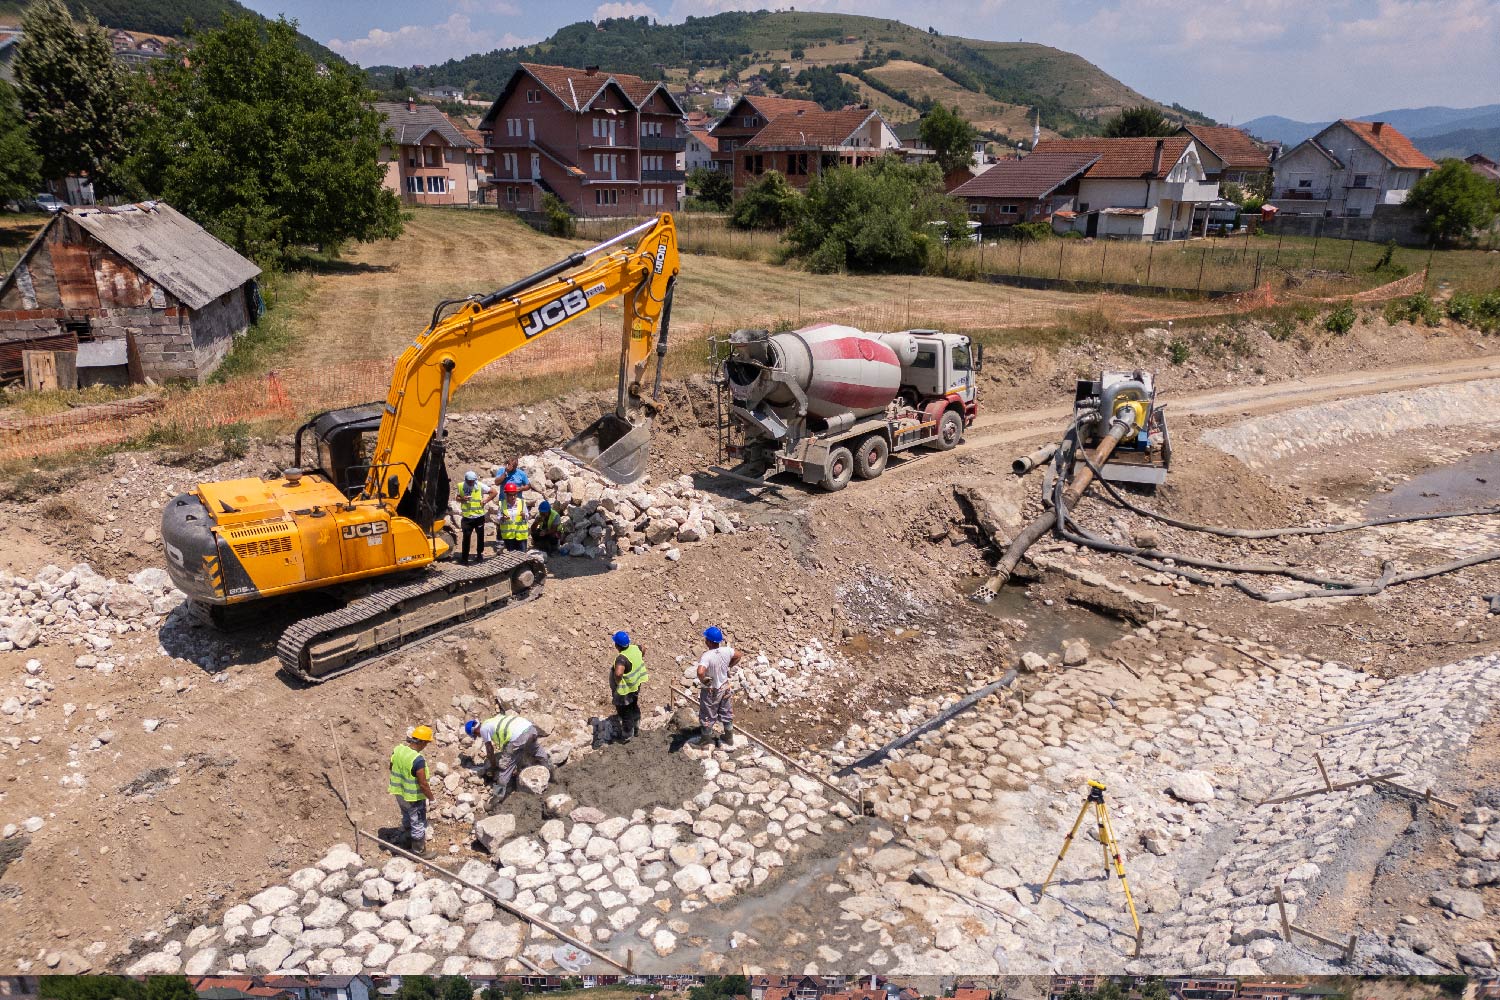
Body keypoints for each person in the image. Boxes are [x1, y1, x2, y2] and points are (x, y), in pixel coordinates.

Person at [465, 713, 551, 802]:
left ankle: (496, 799)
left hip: (518, 737)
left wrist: (494, 766)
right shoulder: (491, 721)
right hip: (531, 729)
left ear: (475, 731)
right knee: (537, 752)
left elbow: (490, 750)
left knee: (504, 769)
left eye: (476, 735)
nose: (478, 736)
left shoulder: (483, 729)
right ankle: (551, 773)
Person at [389, 725, 437, 856]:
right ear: (421, 741)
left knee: (407, 816)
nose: (426, 745)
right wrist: (432, 799)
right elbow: (423, 784)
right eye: (426, 742)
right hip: (413, 797)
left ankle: (405, 841)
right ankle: (418, 851)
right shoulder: (418, 760)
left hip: (399, 793)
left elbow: (391, 767)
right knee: (418, 822)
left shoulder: (398, 750)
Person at [695, 626, 741, 749]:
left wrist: (704, 680)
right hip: (725, 686)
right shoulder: (727, 651)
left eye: (706, 639)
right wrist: (728, 666)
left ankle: (706, 739)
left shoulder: (707, 655)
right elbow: (738, 655)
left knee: (707, 714)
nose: (705, 640)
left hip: (712, 690)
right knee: (726, 712)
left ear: (709, 641)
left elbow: (700, 672)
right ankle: (729, 737)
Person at [609, 630, 648, 743]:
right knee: (633, 705)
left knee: (624, 712)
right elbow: (644, 648)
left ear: (617, 645)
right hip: (635, 685)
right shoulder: (636, 648)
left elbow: (618, 673)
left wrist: (618, 682)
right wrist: (640, 658)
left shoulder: (622, 658)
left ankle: (627, 736)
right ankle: (636, 726)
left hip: (625, 690)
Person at [456, 470, 490, 565]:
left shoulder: (479, 485)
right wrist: (462, 499)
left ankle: (479, 554)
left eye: (472, 481)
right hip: (467, 517)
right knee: (466, 537)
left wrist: (486, 500)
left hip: (479, 516)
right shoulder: (461, 486)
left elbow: (493, 492)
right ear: (466, 479)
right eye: (469, 481)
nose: (471, 483)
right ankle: (464, 558)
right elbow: (457, 498)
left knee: (480, 536)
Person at [496, 482, 529, 552]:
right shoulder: (502, 504)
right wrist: (502, 518)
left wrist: (524, 516)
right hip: (509, 537)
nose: (513, 497)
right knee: (512, 557)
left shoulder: (522, 503)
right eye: (511, 495)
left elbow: (527, 517)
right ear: (506, 495)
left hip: (521, 536)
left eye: (515, 495)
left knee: (522, 556)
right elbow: (498, 519)